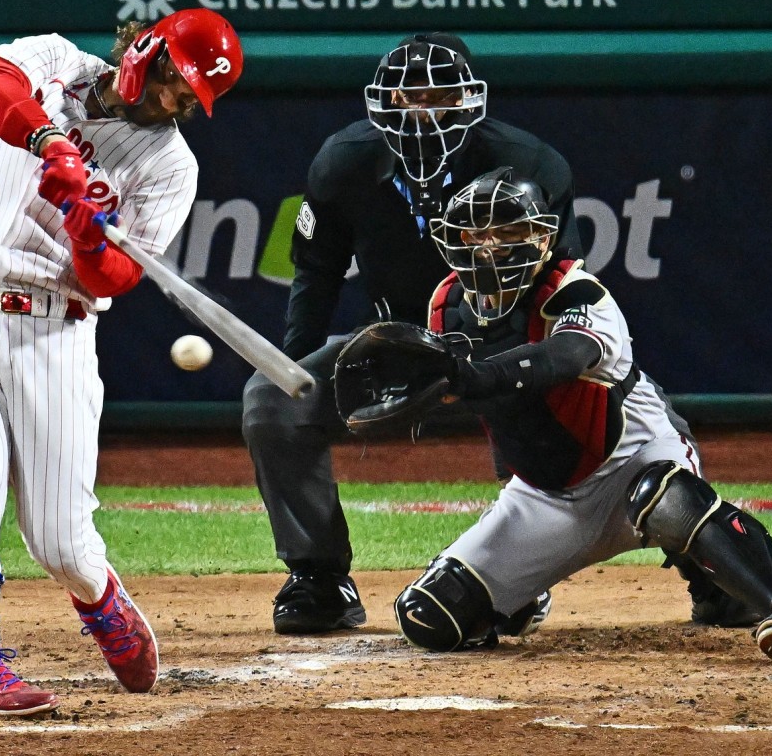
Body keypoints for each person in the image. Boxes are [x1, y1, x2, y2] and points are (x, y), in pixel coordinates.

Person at [333, 168, 772, 664]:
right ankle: (522, 595)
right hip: (546, 494)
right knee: (430, 617)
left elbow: (563, 359)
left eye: (508, 231)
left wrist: (470, 376)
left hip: (634, 457)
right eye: (476, 234)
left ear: (540, 239)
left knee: (665, 497)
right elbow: (502, 412)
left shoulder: (577, 292)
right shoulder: (447, 304)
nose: (489, 246)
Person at [0, 9, 243, 718]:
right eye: (171, 82)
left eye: (188, 101)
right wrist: (49, 140)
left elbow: (110, 281)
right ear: (145, 49)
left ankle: (98, 594)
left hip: (54, 336)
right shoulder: (53, 59)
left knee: (60, 540)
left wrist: (85, 224)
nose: (169, 103)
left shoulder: (170, 165)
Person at [241, 32, 582, 636]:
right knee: (269, 397)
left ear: (467, 100)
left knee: (637, 418)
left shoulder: (529, 165)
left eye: (439, 95)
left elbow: (563, 285)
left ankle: (535, 571)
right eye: (408, 94)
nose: (422, 109)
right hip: (394, 346)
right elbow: (315, 274)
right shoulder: (343, 161)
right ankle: (319, 578)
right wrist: (294, 369)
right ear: (385, 98)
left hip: (503, 349)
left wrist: (521, 368)